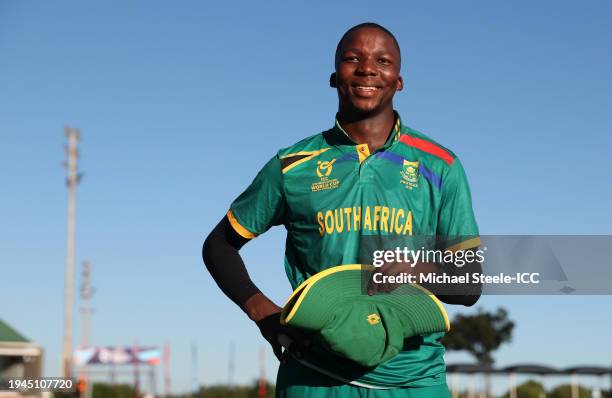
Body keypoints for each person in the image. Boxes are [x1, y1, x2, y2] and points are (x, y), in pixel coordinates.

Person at [203, 22, 482, 398]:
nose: (367, 69)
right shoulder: (293, 165)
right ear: (335, 77)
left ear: (399, 81)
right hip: (314, 375)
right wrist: (263, 313)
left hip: (411, 378)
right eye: (353, 59)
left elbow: (469, 283)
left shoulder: (440, 165)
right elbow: (219, 245)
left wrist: (409, 270)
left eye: (382, 61)